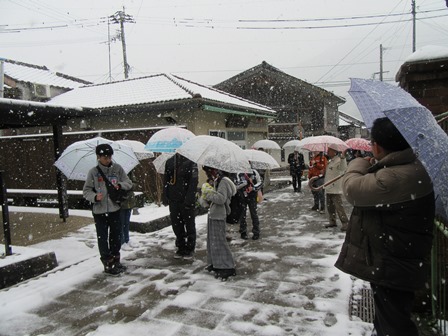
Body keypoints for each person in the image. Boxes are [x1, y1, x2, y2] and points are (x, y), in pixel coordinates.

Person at [335, 117, 435, 336]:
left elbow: (352, 189)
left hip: (394, 264)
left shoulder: (394, 177)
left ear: (377, 146)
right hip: (399, 259)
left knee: (394, 325)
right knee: (390, 319)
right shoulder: (410, 168)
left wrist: (358, 163)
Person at [83, 143, 133, 276]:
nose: (107, 159)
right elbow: (86, 190)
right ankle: (107, 263)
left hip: (114, 208)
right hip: (99, 210)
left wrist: (120, 185)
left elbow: (129, 183)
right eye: (104, 157)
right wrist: (94, 196)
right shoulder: (93, 172)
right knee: (102, 237)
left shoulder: (117, 169)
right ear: (98, 157)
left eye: (109, 156)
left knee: (116, 236)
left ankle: (116, 260)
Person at [202, 166, 237, 280]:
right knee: (213, 241)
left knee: (219, 241)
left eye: (209, 171)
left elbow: (221, 199)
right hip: (214, 213)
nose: (210, 175)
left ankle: (227, 266)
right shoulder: (220, 180)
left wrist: (208, 194)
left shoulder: (224, 181)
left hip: (219, 214)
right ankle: (216, 264)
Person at [163, 153, 199, 260]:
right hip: (174, 199)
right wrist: (165, 195)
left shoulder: (191, 162)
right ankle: (181, 246)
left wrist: (189, 199)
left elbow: (194, 182)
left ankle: (190, 247)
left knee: (189, 225)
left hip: (186, 199)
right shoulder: (170, 161)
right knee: (176, 224)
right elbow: (166, 179)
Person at [323, 144, 349, 231]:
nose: (327, 151)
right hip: (329, 187)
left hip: (335, 188)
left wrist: (343, 157)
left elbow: (343, 168)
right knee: (330, 207)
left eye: (329, 150)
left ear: (334, 151)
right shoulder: (331, 161)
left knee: (339, 207)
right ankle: (332, 221)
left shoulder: (339, 160)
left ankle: (345, 223)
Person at [236, 169, 263, 240]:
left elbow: (260, 182)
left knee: (254, 214)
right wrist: (244, 183)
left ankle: (256, 231)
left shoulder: (254, 172)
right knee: (242, 215)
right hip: (242, 196)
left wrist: (253, 188)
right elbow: (236, 185)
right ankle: (243, 231)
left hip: (252, 197)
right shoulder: (239, 172)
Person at [120, 171, 138, 250]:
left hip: (129, 201)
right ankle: (121, 241)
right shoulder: (115, 171)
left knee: (126, 222)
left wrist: (129, 185)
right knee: (120, 222)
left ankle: (127, 239)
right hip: (120, 200)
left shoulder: (129, 171)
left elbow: (134, 184)